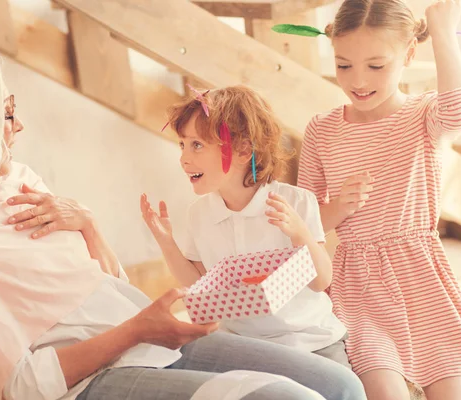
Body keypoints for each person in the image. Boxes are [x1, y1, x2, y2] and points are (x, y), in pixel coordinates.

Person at [0, 51, 363, 400]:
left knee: (341, 386)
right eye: (5, 116)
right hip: (100, 371)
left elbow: (105, 288)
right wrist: (141, 318)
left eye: (14, 111)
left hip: (178, 338)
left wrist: (89, 226)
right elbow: (20, 386)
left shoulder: (22, 182)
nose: (19, 125)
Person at [293, 0, 461, 399]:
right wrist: (339, 208)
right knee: (384, 389)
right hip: (357, 288)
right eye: (343, 64)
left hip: (422, 276)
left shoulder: (423, 115)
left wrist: (442, 30)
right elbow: (303, 221)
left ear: (408, 54)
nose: (358, 79)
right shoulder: (321, 129)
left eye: (376, 65)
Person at [141, 85, 365, 399]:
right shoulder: (199, 214)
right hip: (245, 346)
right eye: (182, 144)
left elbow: (321, 280)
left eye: (196, 145)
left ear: (244, 151)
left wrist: (299, 233)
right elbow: (199, 286)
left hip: (311, 341)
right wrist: (167, 243)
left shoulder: (296, 202)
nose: (183, 158)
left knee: (341, 390)